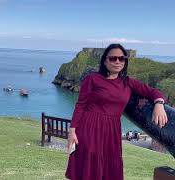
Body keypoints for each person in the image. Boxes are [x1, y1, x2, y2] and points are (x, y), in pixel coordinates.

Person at [65, 44, 168, 180]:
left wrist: (159, 104)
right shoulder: (92, 79)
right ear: (105, 60)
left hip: (111, 130)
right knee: (90, 165)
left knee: (109, 166)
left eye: (122, 59)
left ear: (125, 62)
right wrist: (72, 131)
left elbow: (152, 91)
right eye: (113, 58)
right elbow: (80, 105)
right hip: (89, 127)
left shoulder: (128, 82)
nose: (118, 62)